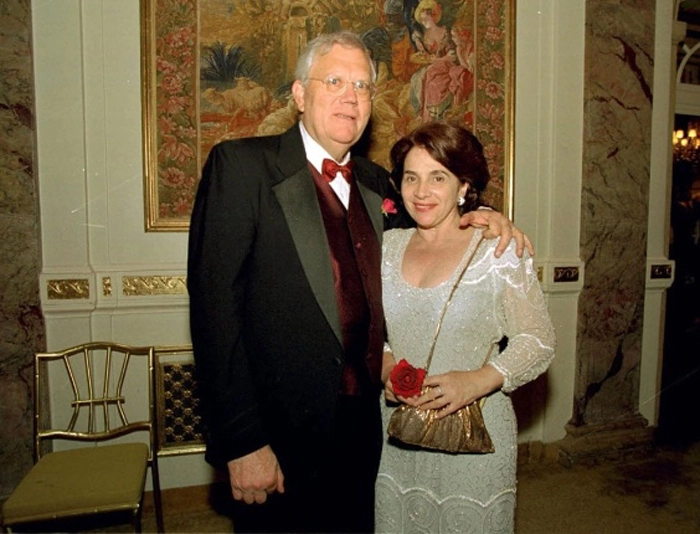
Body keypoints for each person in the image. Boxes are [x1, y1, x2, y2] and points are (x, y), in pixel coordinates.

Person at [188, 31, 527, 534]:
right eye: (335, 80)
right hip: (278, 440)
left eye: (363, 85)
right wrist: (242, 443)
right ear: (301, 95)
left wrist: (488, 217)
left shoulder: (377, 183)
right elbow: (215, 316)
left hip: (368, 434)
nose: (352, 95)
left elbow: (431, 230)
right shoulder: (241, 167)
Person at [376, 122, 556, 533]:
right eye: (411, 178)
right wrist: (388, 370)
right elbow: (370, 332)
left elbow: (539, 340)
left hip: (478, 438)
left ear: (463, 186)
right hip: (398, 434)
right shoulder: (387, 249)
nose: (422, 192)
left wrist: (477, 381)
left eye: (438, 177)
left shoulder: (498, 249)